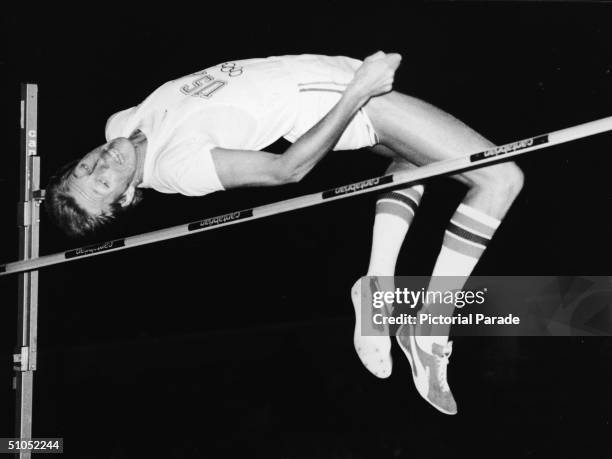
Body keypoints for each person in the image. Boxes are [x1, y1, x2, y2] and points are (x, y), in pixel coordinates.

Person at [45, 52, 523, 415]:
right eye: (104, 183)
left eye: (87, 166)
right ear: (126, 199)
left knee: (412, 161)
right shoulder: (177, 168)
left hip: (332, 74)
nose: (104, 162)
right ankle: (429, 327)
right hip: (349, 102)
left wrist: (54, 192)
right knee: (500, 179)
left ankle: (377, 288)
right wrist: (358, 91)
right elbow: (285, 171)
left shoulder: (122, 124)